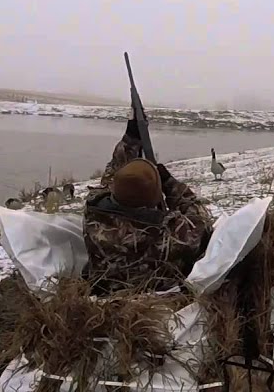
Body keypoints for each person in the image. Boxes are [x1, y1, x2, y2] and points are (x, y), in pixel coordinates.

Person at [83, 118, 214, 294]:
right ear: (153, 200)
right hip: (151, 301)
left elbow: (113, 174)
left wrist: (131, 139)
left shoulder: (93, 214)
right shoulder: (169, 233)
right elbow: (200, 219)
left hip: (102, 293)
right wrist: (170, 184)